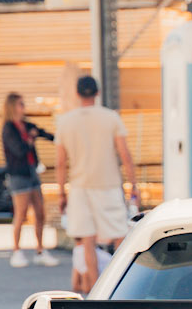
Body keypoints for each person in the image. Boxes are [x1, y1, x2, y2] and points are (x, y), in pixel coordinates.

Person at [54, 75, 137, 292]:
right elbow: (125, 155)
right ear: (97, 92)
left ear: (77, 94)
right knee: (119, 234)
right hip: (108, 185)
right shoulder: (111, 118)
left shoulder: (65, 122)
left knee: (87, 240)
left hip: (79, 187)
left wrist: (61, 193)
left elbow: (61, 163)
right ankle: (120, 286)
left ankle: (94, 288)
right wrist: (133, 185)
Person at [1, 92, 56, 269]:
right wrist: (30, 139)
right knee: (21, 213)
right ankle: (16, 251)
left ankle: (40, 250)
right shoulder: (9, 129)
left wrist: (57, 138)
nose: (24, 107)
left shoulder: (27, 125)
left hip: (32, 172)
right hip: (18, 175)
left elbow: (42, 133)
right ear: (12, 107)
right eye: (21, 104)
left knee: (40, 212)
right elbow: (18, 150)